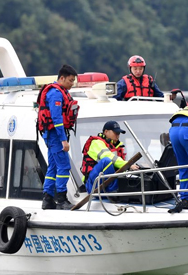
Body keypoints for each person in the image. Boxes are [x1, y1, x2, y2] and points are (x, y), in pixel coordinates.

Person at [36, 64, 79, 210]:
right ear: (62, 78)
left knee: (53, 167)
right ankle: (61, 199)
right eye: (70, 80)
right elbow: (56, 118)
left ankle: (47, 199)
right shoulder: (55, 93)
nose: (72, 83)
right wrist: (63, 140)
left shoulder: (60, 91)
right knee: (64, 166)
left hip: (51, 134)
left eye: (73, 81)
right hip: (55, 135)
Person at [80, 121, 139, 195]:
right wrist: (128, 165)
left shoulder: (116, 147)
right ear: (106, 131)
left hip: (106, 184)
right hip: (93, 185)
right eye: (115, 133)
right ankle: (112, 191)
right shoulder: (96, 143)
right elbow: (108, 156)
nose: (117, 136)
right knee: (106, 161)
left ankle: (117, 189)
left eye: (118, 134)